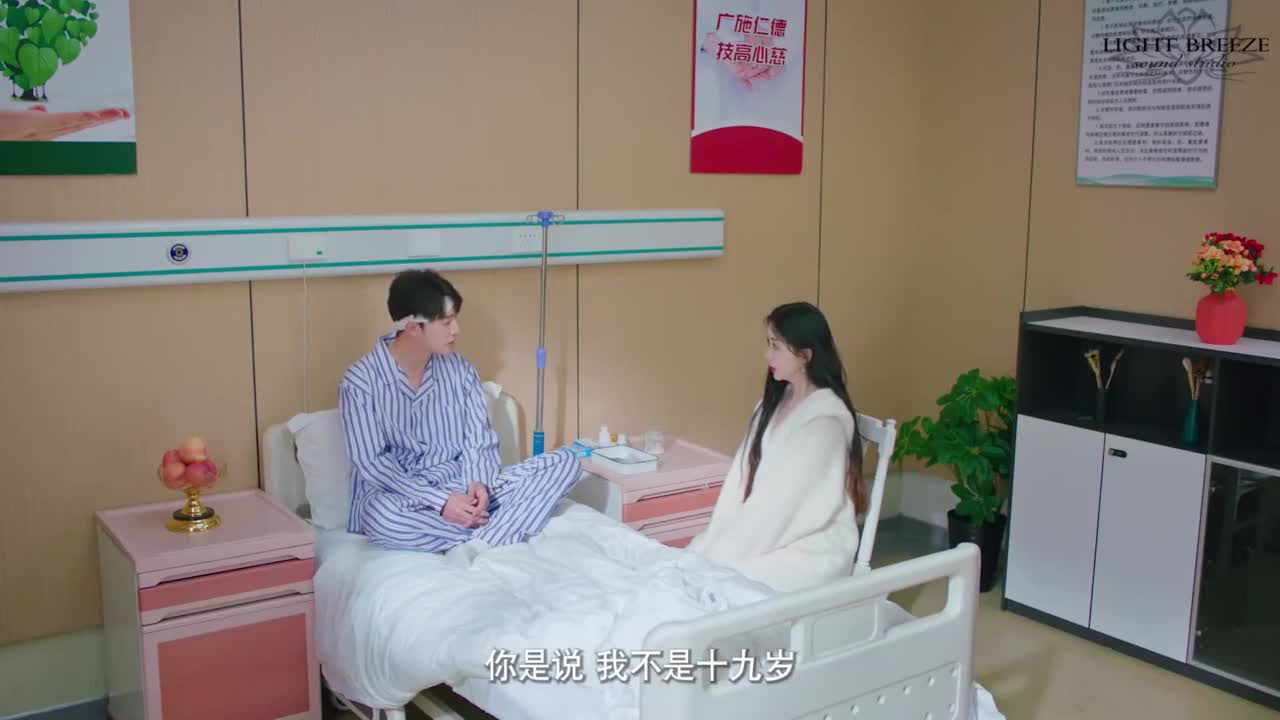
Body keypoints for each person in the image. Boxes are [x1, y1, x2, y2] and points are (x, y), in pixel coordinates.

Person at [339, 269, 582, 556]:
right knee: (382, 518)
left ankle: (482, 536)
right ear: (413, 327)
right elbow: (374, 465)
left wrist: (477, 485)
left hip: (462, 486)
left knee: (567, 462)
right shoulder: (360, 382)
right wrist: (442, 501)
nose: (456, 330)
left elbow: (479, 441)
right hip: (403, 497)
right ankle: (501, 531)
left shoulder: (461, 370)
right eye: (446, 322)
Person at [687, 301, 865, 592]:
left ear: (805, 355)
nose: (767, 355)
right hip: (769, 528)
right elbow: (739, 483)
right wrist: (717, 539)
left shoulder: (824, 425)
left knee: (725, 581)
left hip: (811, 545)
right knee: (703, 561)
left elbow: (789, 508)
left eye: (776, 346)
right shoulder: (770, 406)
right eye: (768, 344)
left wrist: (726, 554)